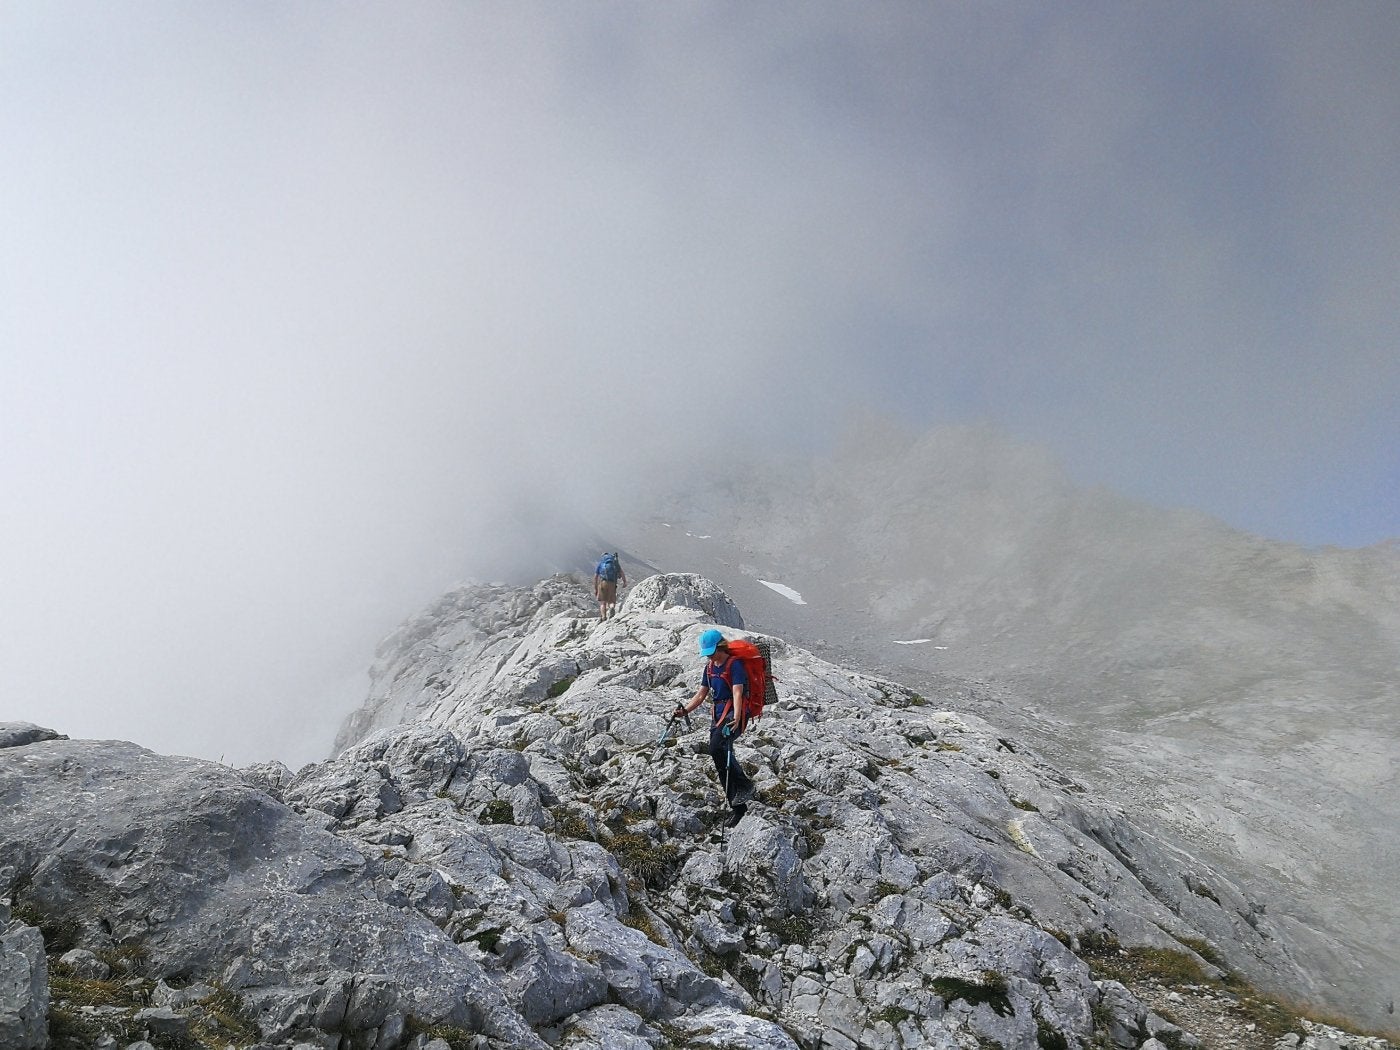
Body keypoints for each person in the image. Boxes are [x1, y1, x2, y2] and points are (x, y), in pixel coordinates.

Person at [674, 628, 756, 827]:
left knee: (716, 748)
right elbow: (701, 695)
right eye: (708, 653)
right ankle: (738, 808)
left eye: (712, 652)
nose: (710, 656)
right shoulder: (710, 668)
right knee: (720, 759)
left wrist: (737, 718)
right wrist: (685, 711)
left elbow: (738, 693)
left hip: (733, 714)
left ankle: (745, 785)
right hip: (718, 716)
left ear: (721, 647)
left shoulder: (734, 665)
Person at [594, 552, 627, 620]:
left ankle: (603, 617)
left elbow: (595, 577)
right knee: (611, 601)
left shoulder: (601, 564)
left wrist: (596, 589)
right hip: (612, 583)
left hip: (602, 583)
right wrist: (624, 582)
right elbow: (621, 572)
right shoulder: (614, 563)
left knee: (603, 602)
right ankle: (611, 608)